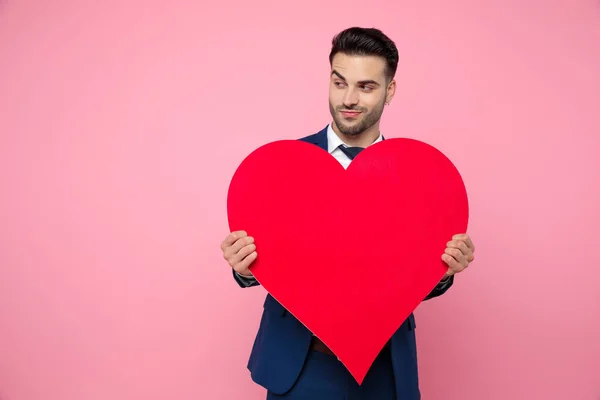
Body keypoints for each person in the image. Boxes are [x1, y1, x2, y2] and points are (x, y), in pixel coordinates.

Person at [220, 27, 476, 400]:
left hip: (385, 368)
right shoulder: (282, 168)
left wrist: (445, 270)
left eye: (366, 86)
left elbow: (415, 273)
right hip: (298, 366)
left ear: (390, 90)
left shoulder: (418, 177)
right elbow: (271, 264)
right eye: (339, 83)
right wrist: (243, 269)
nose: (349, 99)